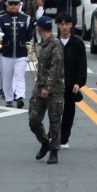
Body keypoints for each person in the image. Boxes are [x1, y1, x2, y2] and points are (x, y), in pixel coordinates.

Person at [30, 15, 64, 164]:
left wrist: (47, 88)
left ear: (39, 29)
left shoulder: (55, 44)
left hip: (54, 90)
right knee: (33, 120)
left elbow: (56, 68)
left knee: (54, 121)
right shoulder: (42, 44)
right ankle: (45, 142)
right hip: (39, 88)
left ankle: (54, 151)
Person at [0, 0, 32, 110]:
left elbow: (30, 37)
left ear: (20, 5)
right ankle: (9, 98)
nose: (14, 6)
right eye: (11, 4)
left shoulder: (26, 18)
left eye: (16, 4)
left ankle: (20, 96)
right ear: (7, 5)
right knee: (7, 77)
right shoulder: (2, 18)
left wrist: (31, 52)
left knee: (20, 76)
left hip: (21, 54)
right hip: (7, 54)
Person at [56, 13, 87, 149]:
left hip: (70, 84)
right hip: (55, 83)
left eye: (67, 24)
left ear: (71, 25)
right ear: (57, 25)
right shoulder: (54, 42)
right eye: (61, 24)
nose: (64, 27)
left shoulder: (77, 43)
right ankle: (54, 135)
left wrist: (78, 82)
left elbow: (82, 64)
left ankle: (64, 138)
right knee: (55, 111)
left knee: (69, 112)